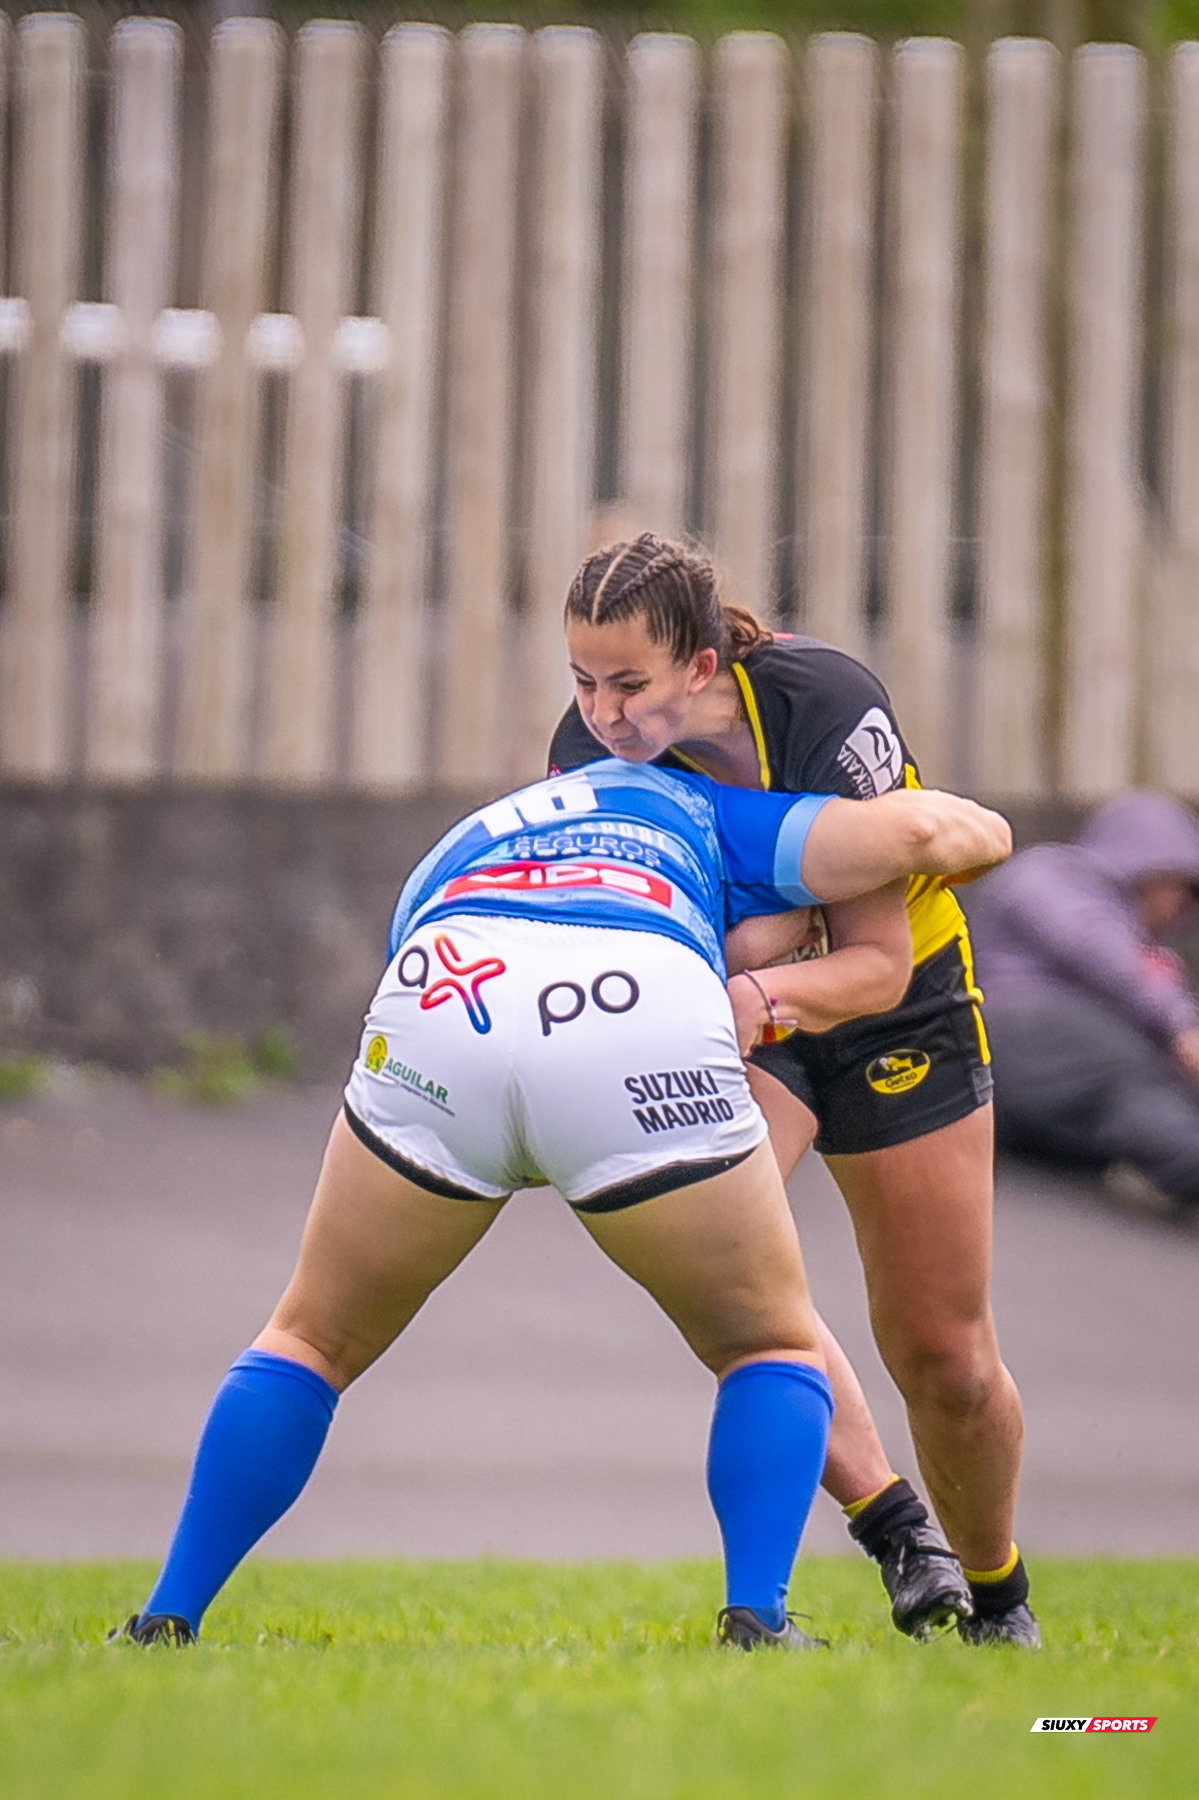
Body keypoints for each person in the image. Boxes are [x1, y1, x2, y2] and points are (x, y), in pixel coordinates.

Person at [112, 754, 1009, 1650]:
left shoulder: (485, 823)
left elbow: (430, 975)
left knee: (309, 1337)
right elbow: (916, 835)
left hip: (446, 989)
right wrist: (986, 836)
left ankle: (166, 1616)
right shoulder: (717, 810)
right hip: (631, 1001)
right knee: (767, 1340)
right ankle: (756, 1619)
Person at [550, 533, 1037, 1647]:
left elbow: (871, 962)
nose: (603, 714)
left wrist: (757, 979)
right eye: (581, 680)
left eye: (628, 683)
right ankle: (897, 1534)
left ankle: (996, 1595)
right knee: (724, 1279)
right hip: (739, 1013)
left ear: (702, 667)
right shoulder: (584, 755)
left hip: (888, 1004)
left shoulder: (819, 701)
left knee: (942, 1357)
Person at [969, 790, 1199, 1215]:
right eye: (1182, 889)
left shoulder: (1137, 939)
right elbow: (1093, 947)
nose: (1183, 909)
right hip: (1020, 1022)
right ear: (1151, 865)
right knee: (1137, 1081)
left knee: (1139, 1091)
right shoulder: (1052, 873)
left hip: (1040, 1073)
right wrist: (1180, 1026)